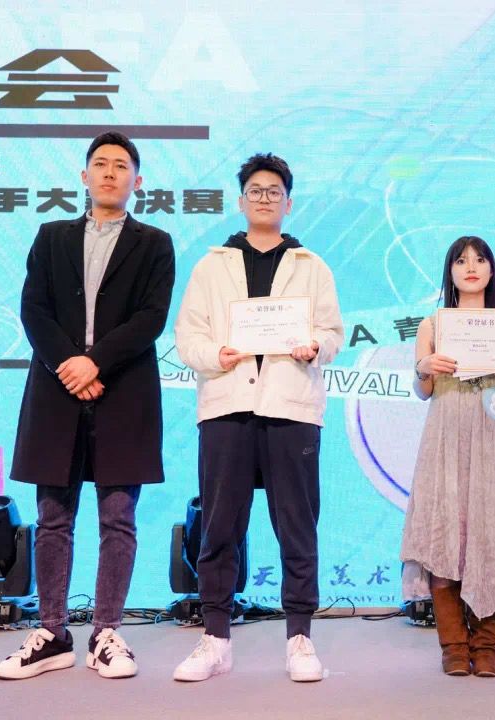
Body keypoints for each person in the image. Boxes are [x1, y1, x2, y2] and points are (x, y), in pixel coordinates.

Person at [0, 131, 175, 680]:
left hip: (124, 390)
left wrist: (95, 364)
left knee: (118, 517)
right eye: (100, 164)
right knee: (54, 517)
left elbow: (151, 318)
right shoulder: (51, 236)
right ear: (84, 176)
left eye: (121, 165)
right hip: (57, 390)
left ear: (137, 181)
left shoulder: (155, 243)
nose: (110, 172)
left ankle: (107, 633)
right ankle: (52, 633)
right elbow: (34, 309)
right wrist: (69, 366)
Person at [172, 153, 343, 683]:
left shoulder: (312, 266)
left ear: (288, 203)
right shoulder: (212, 265)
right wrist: (215, 355)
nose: (264, 198)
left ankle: (300, 639)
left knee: (297, 525)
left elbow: (333, 333)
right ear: (241, 200)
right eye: (256, 190)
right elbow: (188, 336)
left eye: (274, 191)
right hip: (227, 405)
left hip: (291, 407)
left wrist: (315, 346)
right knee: (219, 525)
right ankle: (215, 639)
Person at [400, 236, 495, 678]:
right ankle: (454, 646)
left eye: (480, 259)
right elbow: (423, 390)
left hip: (493, 438)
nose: (471, 267)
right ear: (450, 272)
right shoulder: (432, 325)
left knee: (492, 537)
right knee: (445, 536)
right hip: (445, 438)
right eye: (461, 261)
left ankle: (487, 645)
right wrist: (424, 368)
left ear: (492, 270)